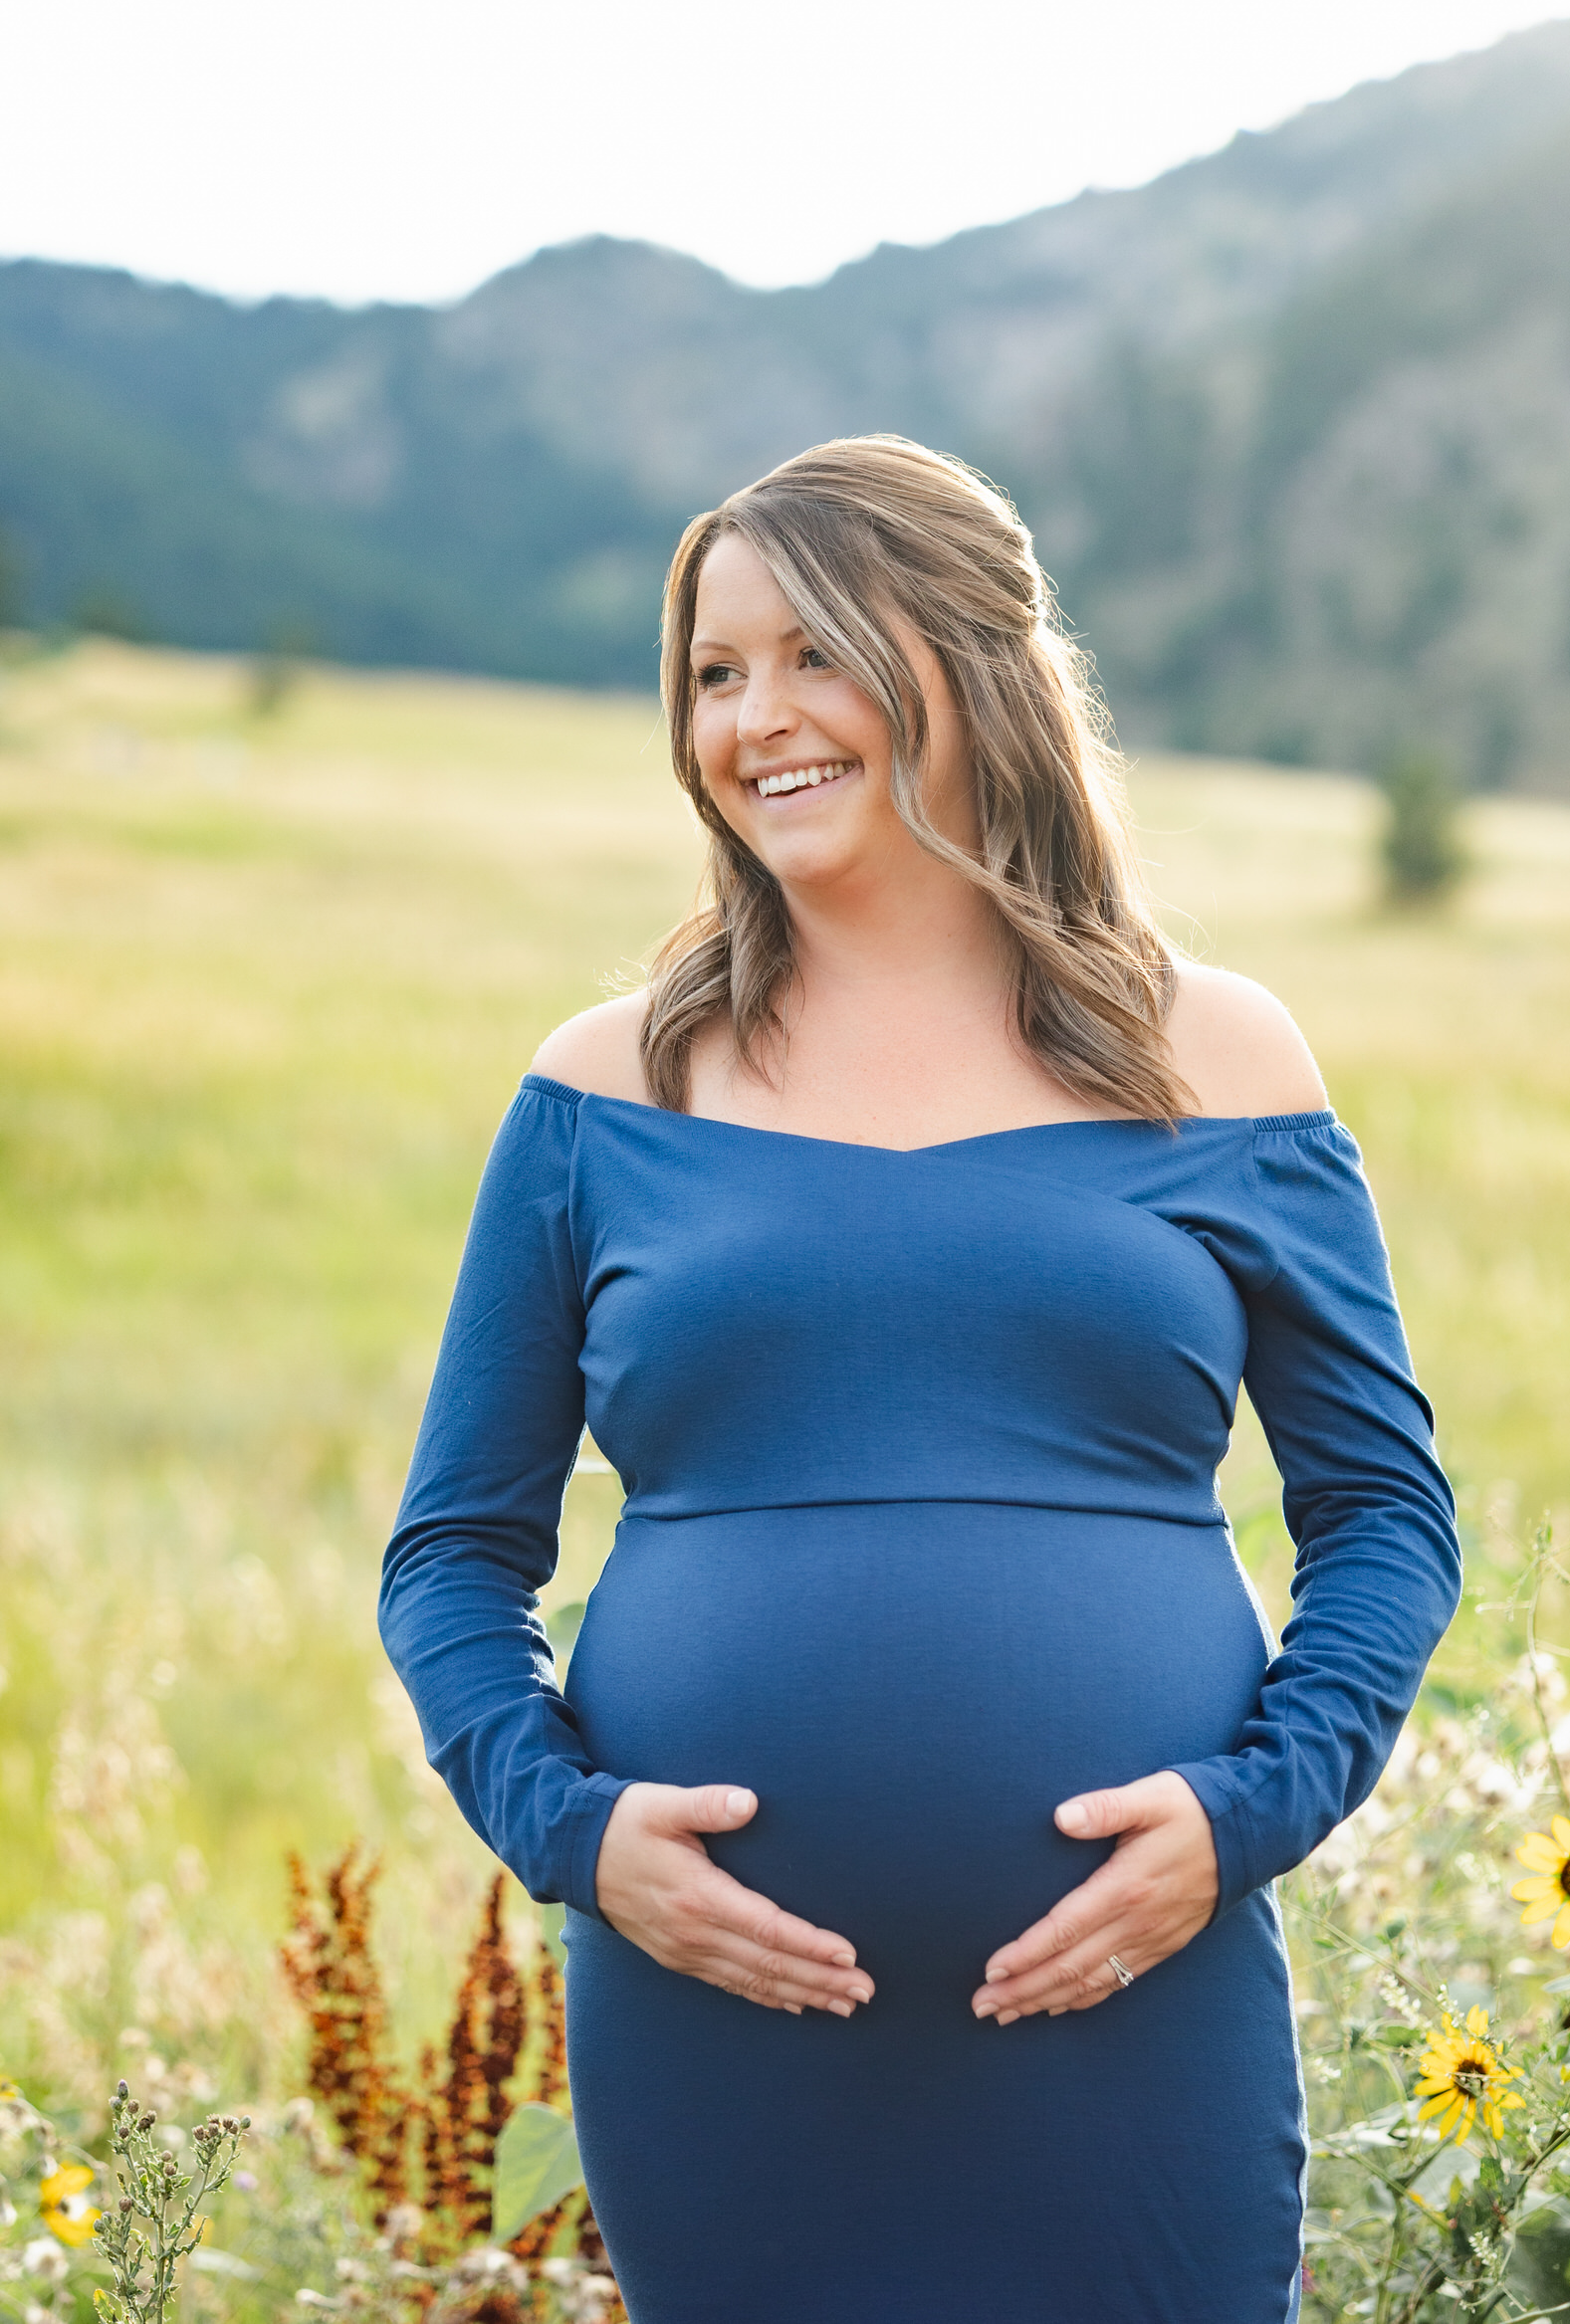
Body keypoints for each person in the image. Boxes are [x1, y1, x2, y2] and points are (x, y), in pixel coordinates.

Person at [380, 436, 1460, 2324]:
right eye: (716, 673)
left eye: (815, 655)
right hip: (719, 2020)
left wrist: (1250, 1814)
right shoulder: (605, 1089)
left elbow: (1384, 1515)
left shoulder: (1215, 1054)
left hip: (1141, 1994)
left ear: (971, 663)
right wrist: (574, 1836)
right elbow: (453, 1554)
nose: (756, 719)